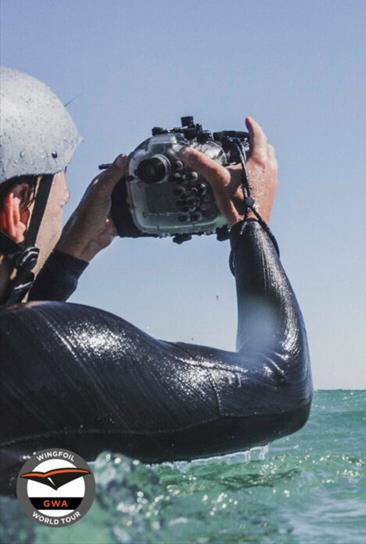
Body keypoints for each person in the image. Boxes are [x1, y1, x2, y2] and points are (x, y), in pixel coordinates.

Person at [0, 66, 312, 494]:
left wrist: (71, 254)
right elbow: (281, 387)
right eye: (59, 199)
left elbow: (28, 403)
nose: (65, 205)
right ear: (18, 210)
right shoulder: (37, 350)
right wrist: (249, 222)